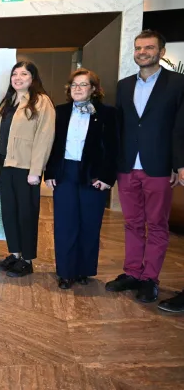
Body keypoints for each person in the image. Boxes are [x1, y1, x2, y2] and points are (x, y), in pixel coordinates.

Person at [105, 30, 184, 307]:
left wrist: (178, 163)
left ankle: (150, 278)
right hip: (127, 165)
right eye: (138, 48)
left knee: (157, 225)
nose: (142, 52)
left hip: (159, 166)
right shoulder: (124, 85)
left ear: (161, 52)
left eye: (149, 48)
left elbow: (180, 127)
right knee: (132, 223)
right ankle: (132, 273)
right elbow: (120, 126)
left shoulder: (178, 83)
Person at [44, 69, 117, 289]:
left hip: (93, 174)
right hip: (65, 172)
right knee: (65, 224)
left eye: (83, 84)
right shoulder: (60, 111)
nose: (77, 88)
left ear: (93, 89)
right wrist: (50, 172)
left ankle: (84, 270)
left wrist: (106, 177)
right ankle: (66, 272)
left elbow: (113, 147)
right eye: (74, 85)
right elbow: (52, 144)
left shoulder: (107, 113)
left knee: (90, 223)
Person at [0, 60, 55, 278]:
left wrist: (36, 170)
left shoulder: (41, 101)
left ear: (33, 78)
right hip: (6, 164)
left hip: (26, 168)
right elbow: (0, 135)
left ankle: (27, 260)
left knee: (26, 214)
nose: (18, 78)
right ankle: (15, 254)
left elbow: (44, 138)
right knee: (9, 212)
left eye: (24, 74)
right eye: (15, 74)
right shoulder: (8, 102)